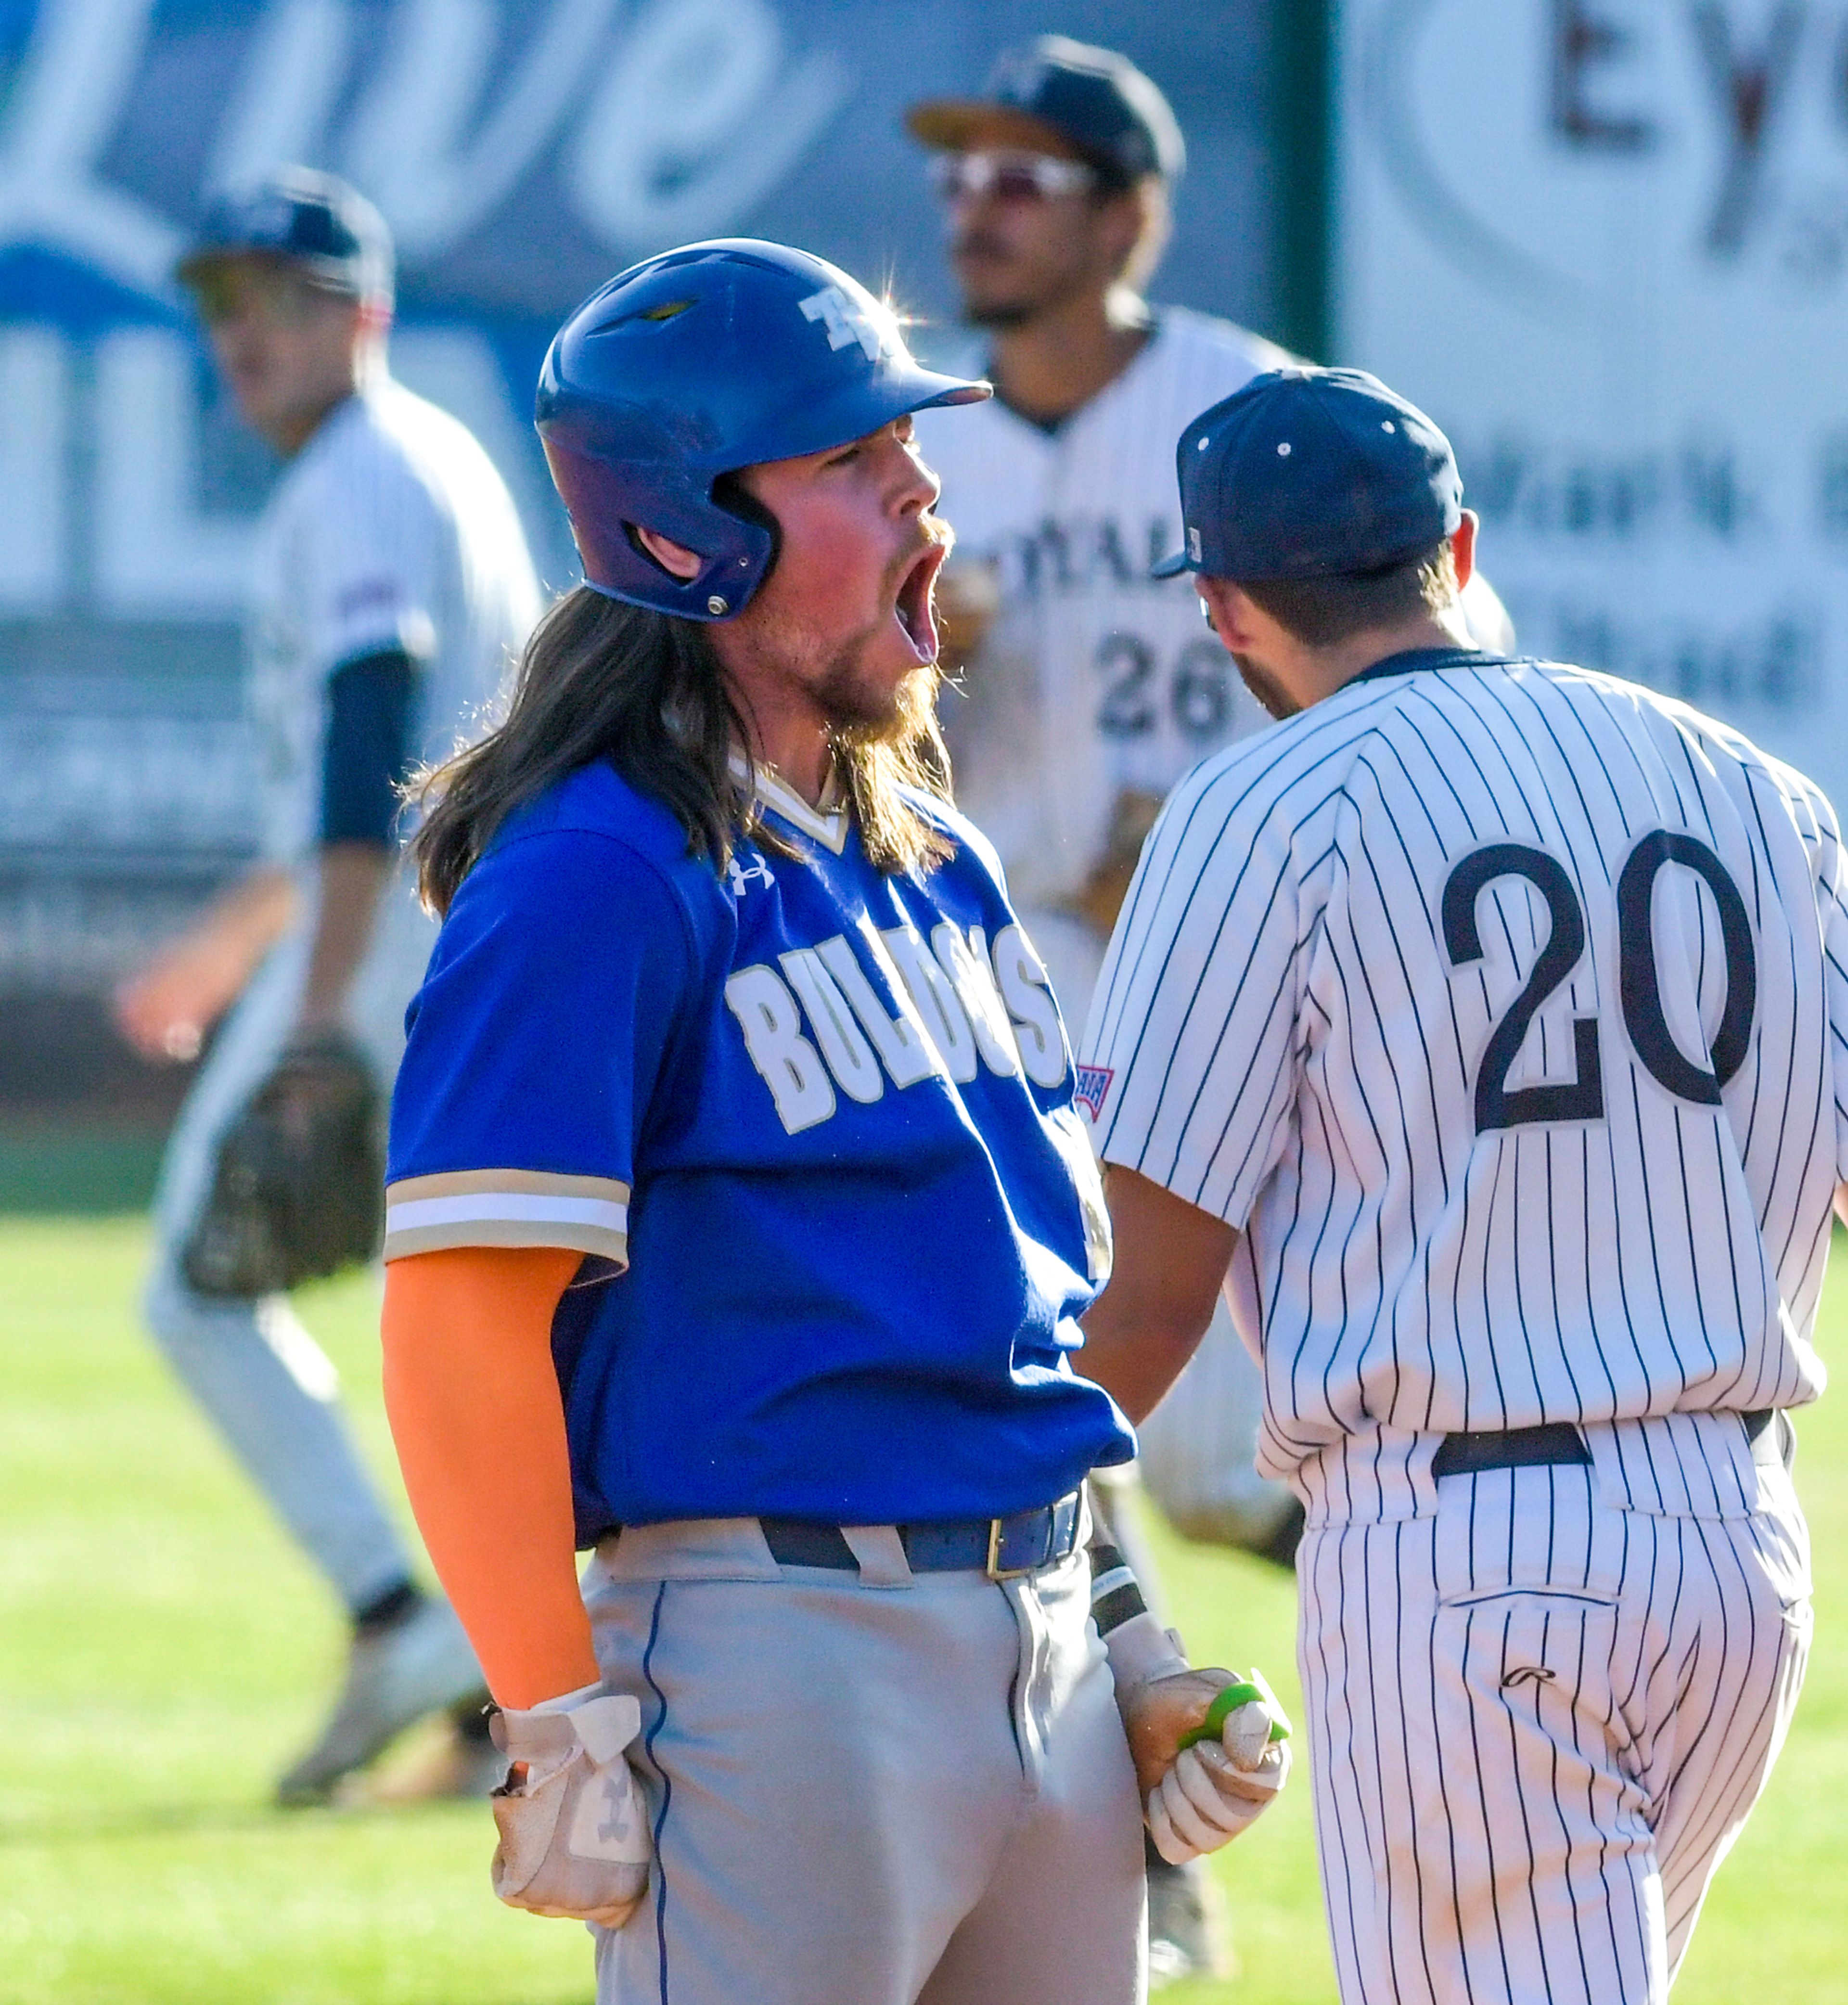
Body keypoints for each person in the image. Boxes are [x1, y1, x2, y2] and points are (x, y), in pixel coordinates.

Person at [375, 239, 1289, 2005]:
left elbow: (1019, 1329)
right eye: (861, 462)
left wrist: (1128, 1628)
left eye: (910, 447)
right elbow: (459, 1323)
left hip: (1042, 1645)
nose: (926, 490)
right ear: (690, 530)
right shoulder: (596, 875)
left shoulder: (930, 859)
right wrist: (556, 1713)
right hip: (776, 1657)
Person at [1078, 364, 1823, 2005]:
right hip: (1742, 1556)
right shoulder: (1758, 792)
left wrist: (974, 1503)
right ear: (1460, 550)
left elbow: (1145, 1298)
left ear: (1222, 607)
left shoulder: (1257, 812)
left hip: (1466, 1561)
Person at [114, 169, 541, 1804]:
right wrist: (234, 954)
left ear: (360, 311)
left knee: (195, 1290)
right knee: (473, 1308)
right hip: (452, 932)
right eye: (220, 303)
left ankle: (403, 1621)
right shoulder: (428, 459)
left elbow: (372, 745)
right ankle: (491, 1685)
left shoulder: (359, 482)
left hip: (393, 949)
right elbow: (376, 773)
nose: (241, 333)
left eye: (276, 299)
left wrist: (311, 1014)